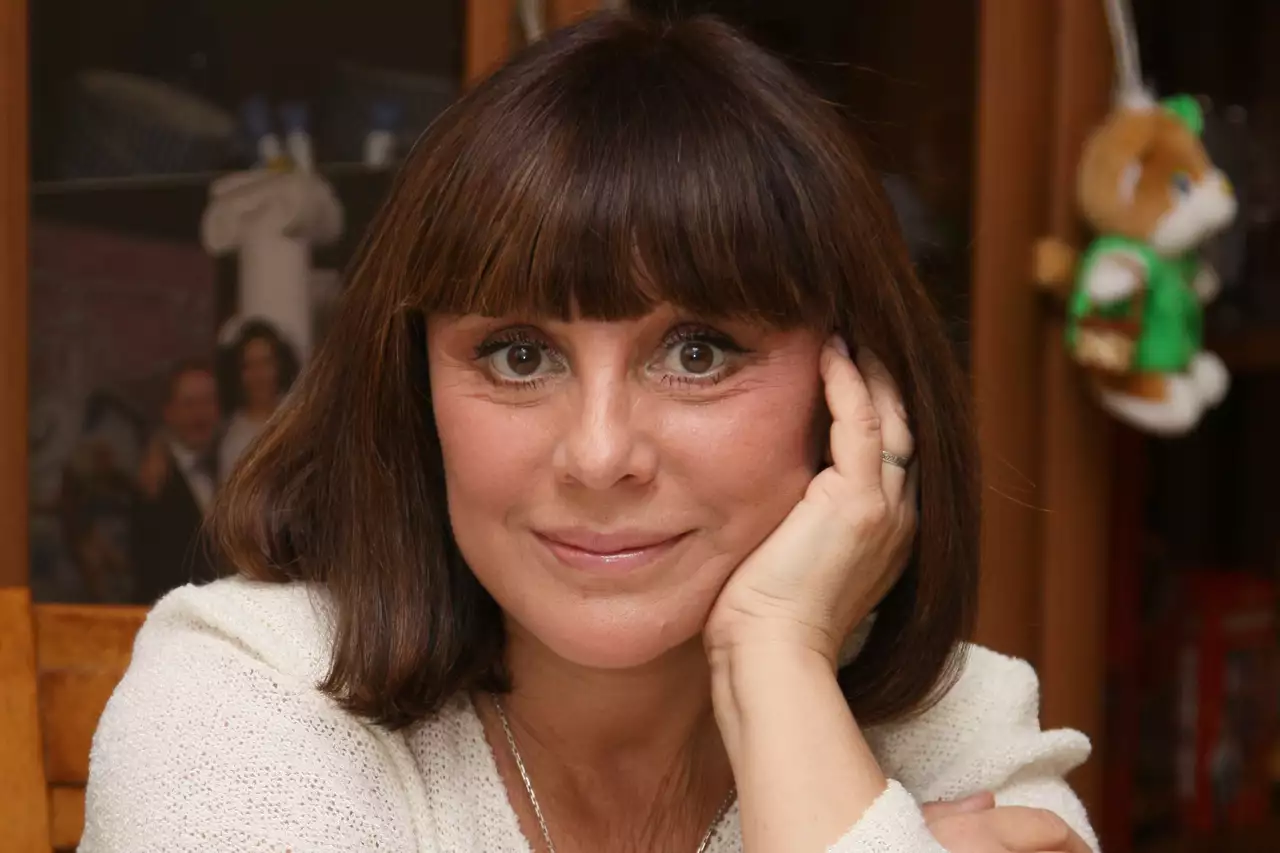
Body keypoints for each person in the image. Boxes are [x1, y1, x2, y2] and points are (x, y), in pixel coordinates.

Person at [84, 13, 1098, 853]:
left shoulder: (956, 729)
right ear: (413, 388)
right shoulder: (246, 688)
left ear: (853, 390)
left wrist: (777, 657)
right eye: (520, 356)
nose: (601, 454)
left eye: (697, 352)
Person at [131, 359, 220, 604]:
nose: (200, 414)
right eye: (189, 404)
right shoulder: (153, 480)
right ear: (169, 413)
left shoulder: (226, 464)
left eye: (207, 402)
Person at [216, 318, 300, 480]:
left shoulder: (299, 418)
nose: (259, 375)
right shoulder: (231, 437)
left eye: (266, 363)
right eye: (249, 366)